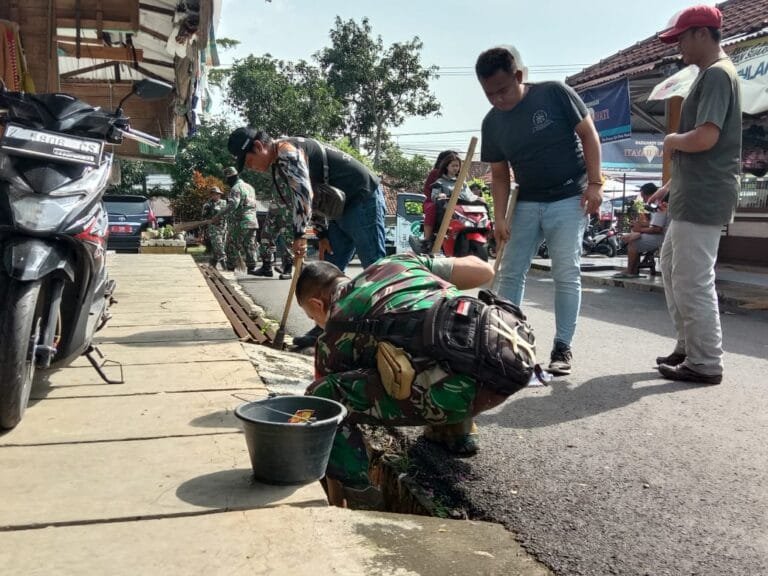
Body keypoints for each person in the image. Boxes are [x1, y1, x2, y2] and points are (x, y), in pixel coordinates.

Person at [295, 253, 534, 507]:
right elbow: (484, 272)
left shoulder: (335, 330)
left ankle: (360, 496)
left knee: (320, 396)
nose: (317, 324)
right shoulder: (399, 263)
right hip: (503, 368)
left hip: (452, 394)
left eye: (312, 317)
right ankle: (458, 433)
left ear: (317, 304)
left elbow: (328, 417)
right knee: (438, 336)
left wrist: (335, 490)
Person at [476, 45, 603, 376]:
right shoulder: (491, 124)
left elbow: (589, 136)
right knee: (511, 271)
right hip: (527, 200)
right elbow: (500, 176)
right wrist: (500, 217)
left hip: (568, 197)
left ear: (518, 76)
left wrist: (595, 184)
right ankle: (508, 342)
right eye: (489, 94)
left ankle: (562, 347)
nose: (497, 100)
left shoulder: (554, 94)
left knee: (566, 271)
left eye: (502, 90)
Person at [647, 5, 741, 385]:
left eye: (682, 39)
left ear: (702, 34)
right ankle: (688, 347)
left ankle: (706, 361)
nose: (679, 48)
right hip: (692, 191)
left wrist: (670, 140)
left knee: (693, 278)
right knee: (673, 269)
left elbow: (706, 138)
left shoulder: (718, 75)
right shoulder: (709, 75)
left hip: (704, 196)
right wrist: (670, 185)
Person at [227, 128, 387, 348]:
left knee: (375, 267)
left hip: (361, 198)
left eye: (250, 161)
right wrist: (321, 234)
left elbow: (304, 193)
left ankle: (386, 328)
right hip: (337, 209)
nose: (252, 168)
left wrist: (300, 234)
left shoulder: (287, 152)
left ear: (258, 147)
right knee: (327, 271)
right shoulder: (279, 162)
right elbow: (316, 195)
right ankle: (326, 327)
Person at [614, 183, 668, 279]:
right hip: (662, 234)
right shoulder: (658, 204)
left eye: (644, 197)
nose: (644, 200)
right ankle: (633, 269)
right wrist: (640, 225)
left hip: (663, 236)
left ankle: (631, 271)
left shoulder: (658, 205)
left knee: (633, 243)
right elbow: (654, 224)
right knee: (634, 237)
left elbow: (657, 229)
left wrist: (640, 229)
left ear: (650, 195)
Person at [415, 149, 457, 253]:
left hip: (455, 201)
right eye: (452, 163)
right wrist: (436, 198)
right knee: (432, 208)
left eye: (457, 164)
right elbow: (427, 189)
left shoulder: (460, 176)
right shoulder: (435, 173)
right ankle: (427, 240)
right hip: (433, 200)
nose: (456, 166)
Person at [220, 166, 260, 274]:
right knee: (250, 244)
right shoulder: (250, 187)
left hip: (241, 222)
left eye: (227, 180)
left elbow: (233, 204)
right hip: (252, 222)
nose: (227, 182)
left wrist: (220, 214)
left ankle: (230, 268)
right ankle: (252, 268)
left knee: (231, 244)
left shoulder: (236, 188)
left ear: (231, 178)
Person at [251, 201, 294, 280]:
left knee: (287, 238)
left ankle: (287, 269)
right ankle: (266, 267)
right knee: (265, 236)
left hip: (287, 211)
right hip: (273, 210)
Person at [201, 186, 228, 269]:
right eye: (214, 194)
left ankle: (212, 265)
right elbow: (203, 216)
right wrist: (206, 210)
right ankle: (225, 265)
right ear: (211, 195)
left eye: (217, 194)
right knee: (218, 245)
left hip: (224, 228)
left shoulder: (224, 203)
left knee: (220, 246)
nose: (216, 196)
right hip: (214, 228)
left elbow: (229, 213)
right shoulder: (208, 204)